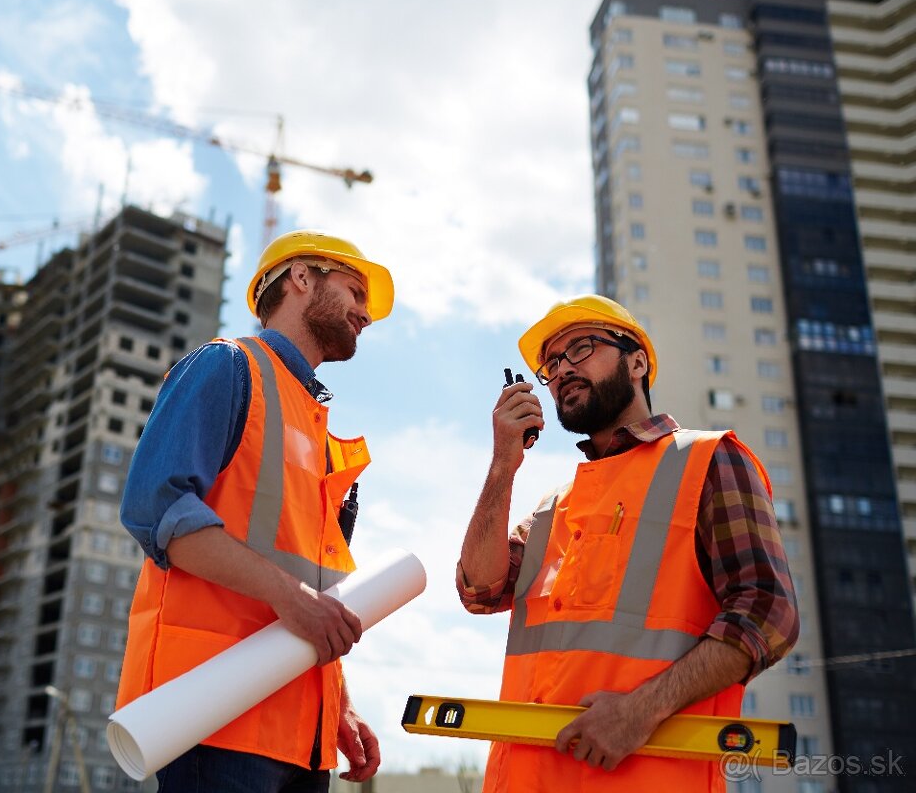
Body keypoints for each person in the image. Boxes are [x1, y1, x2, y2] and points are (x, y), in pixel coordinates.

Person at [458, 294, 798, 791]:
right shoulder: (555, 506)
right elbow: (479, 589)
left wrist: (642, 711)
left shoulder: (707, 460)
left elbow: (769, 613)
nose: (562, 371)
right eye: (551, 364)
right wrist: (502, 467)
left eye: (581, 348)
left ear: (636, 361)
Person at [116, 230, 393, 792]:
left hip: (303, 734)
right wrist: (292, 599)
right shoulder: (227, 367)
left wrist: (338, 703)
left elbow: (317, 591)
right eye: (354, 291)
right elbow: (157, 510)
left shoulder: (316, 429)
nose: (365, 314)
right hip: (215, 714)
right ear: (300, 278)